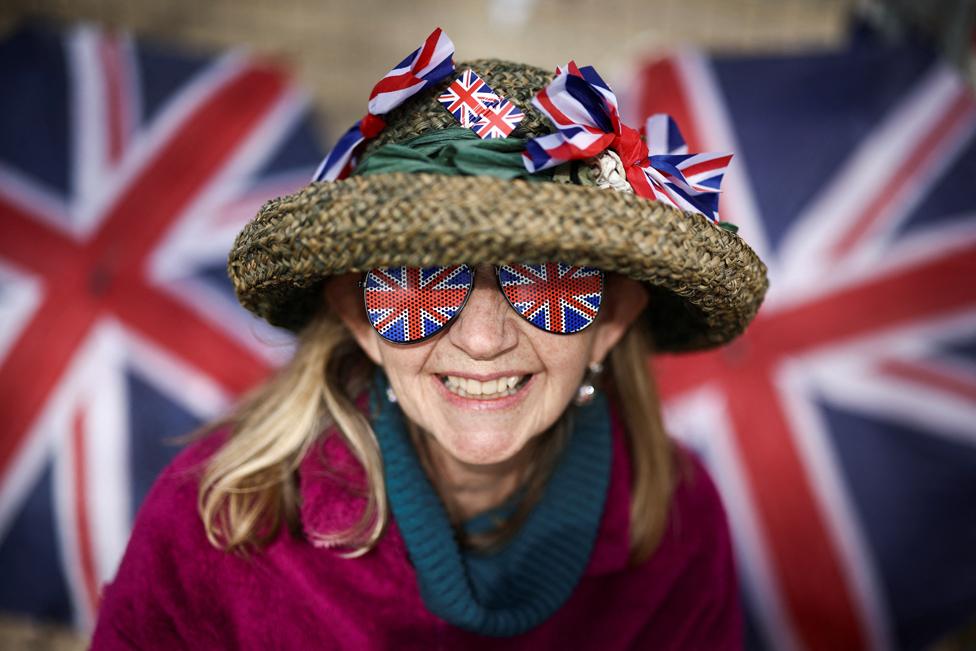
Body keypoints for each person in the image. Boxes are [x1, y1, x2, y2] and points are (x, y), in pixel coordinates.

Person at [92, 28, 767, 650]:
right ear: (359, 317)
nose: (481, 340)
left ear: (610, 321)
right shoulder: (216, 520)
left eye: (544, 281)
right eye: (421, 281)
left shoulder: (681, 519)